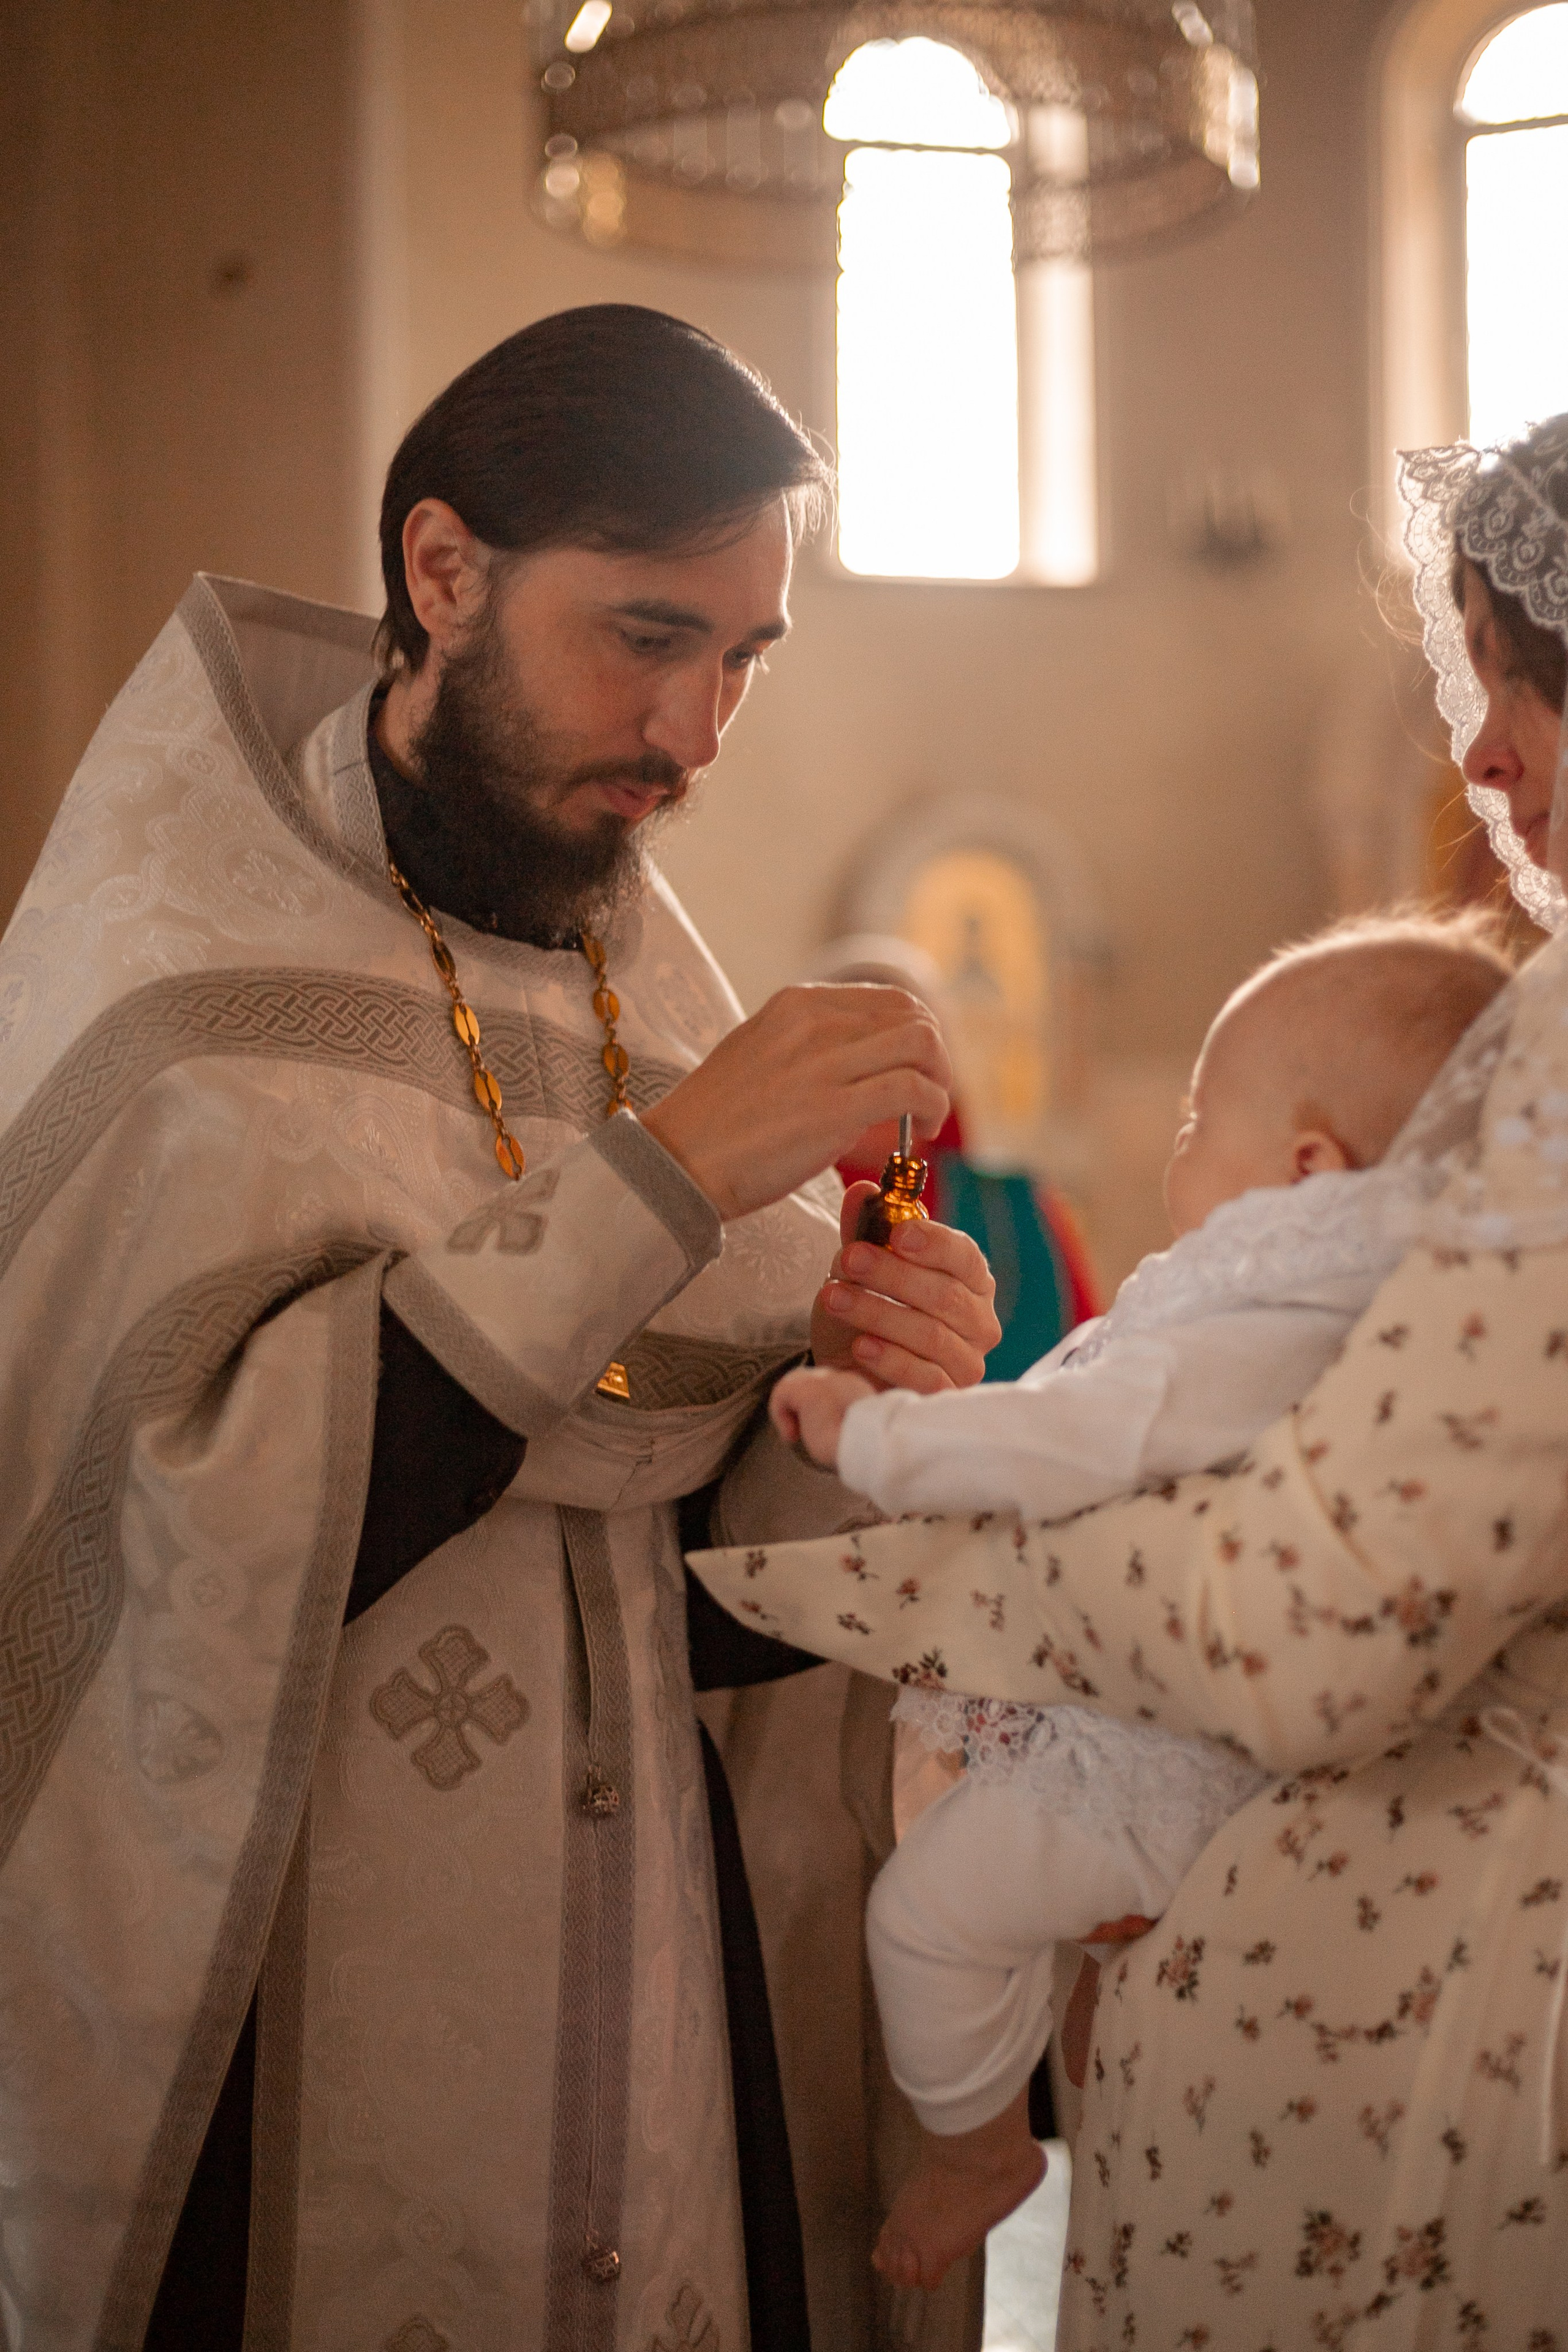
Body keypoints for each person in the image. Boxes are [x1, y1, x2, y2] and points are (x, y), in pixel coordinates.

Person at [0, 305, 1003, 2352]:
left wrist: (849, 1399)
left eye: (743, 657)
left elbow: (690, 1593)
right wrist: (667, 1184)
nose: (702, 730)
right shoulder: (178, 997)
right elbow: (161, 1542)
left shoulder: (657, 1002)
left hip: (666, 2032)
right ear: (440, 574)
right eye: (650, 637)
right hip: (290, 2042)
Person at [692, 411, 1568, 2343]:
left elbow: (1323, 1601)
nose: (1481, 754)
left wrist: (965, 1587)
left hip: (1436, 2019)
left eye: (1524, 692)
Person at [772, 912, 1514, 2292]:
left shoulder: (1253, 1327)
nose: (1176, 1148)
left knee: (925, 1914)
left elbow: (1077, 1431)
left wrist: (872, 1441)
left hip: (1150, 1760)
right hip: (1252, 1769)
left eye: (1194, 1117)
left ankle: (975, 2149)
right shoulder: (1393, 1308)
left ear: (1306, 1169)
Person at [813, 937, 1101, 1374]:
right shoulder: (770, 1204)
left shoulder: (1019, 1210)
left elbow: (1092, 1368)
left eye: (906, 1051)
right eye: (855, 1048)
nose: (883, 1075)